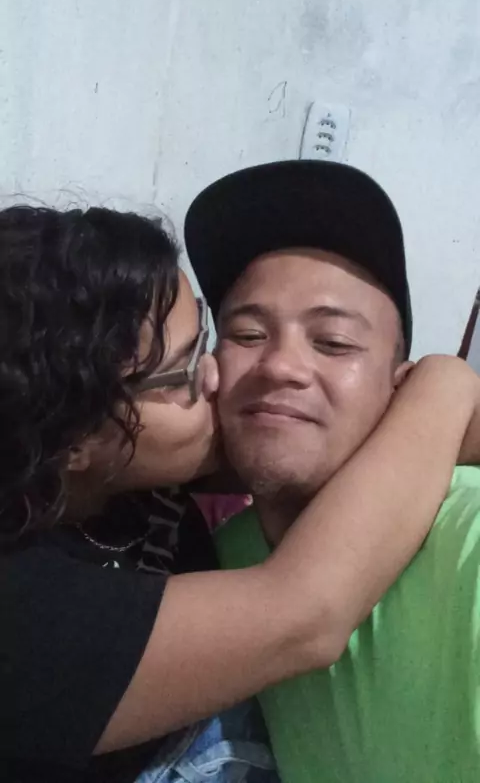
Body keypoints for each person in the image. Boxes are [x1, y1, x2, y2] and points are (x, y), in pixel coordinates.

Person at [0, 205, 478, 783]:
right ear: (73, 439)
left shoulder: (128, 483)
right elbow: (303, 612)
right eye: (181, 371)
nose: (216, 377)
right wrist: (446, 385)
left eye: (208, 341)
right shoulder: (25, 612)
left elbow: (295, 445)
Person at [185, 158, 480, 782]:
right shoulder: (216, 561)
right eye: (247, 334)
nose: (280, 366)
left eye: (334, 343)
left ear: (403, 387)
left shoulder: (468, 542)